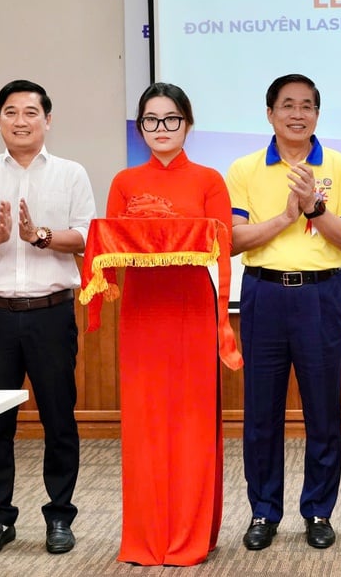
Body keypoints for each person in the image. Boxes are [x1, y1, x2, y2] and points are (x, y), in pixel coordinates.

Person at [0, 79, 95, 556]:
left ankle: (59, 517)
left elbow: (86, 237)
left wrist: (41, 236)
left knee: (59, 419)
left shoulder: (71, 173)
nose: (20, 121)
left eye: (30, 112)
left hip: (50, 315)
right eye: (10, 112)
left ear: (47, 120)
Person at [225, 74, 341, 551]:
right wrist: (286, 215)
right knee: (261, 412)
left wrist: (313, 209)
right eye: (287, 105)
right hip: (263, 294)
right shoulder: (244, 168)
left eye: (307, 106)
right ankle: (264, 512)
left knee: (323, 410)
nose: (297, 114)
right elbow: (233, 240)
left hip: (321, 295)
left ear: (317, 115)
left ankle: (319, 511)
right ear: (270, 114)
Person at [104, 83, 232, 565]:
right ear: (140, 128)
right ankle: (144, 537)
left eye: (171, 119)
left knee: (190, 422)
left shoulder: (208, 180)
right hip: (140, 310)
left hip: (190, 310)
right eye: (152, 120)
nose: (161, 128)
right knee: (144, 422)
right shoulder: (124, 182)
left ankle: (188, 535)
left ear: (188, 125)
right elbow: (112, 244)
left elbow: (220, 244)